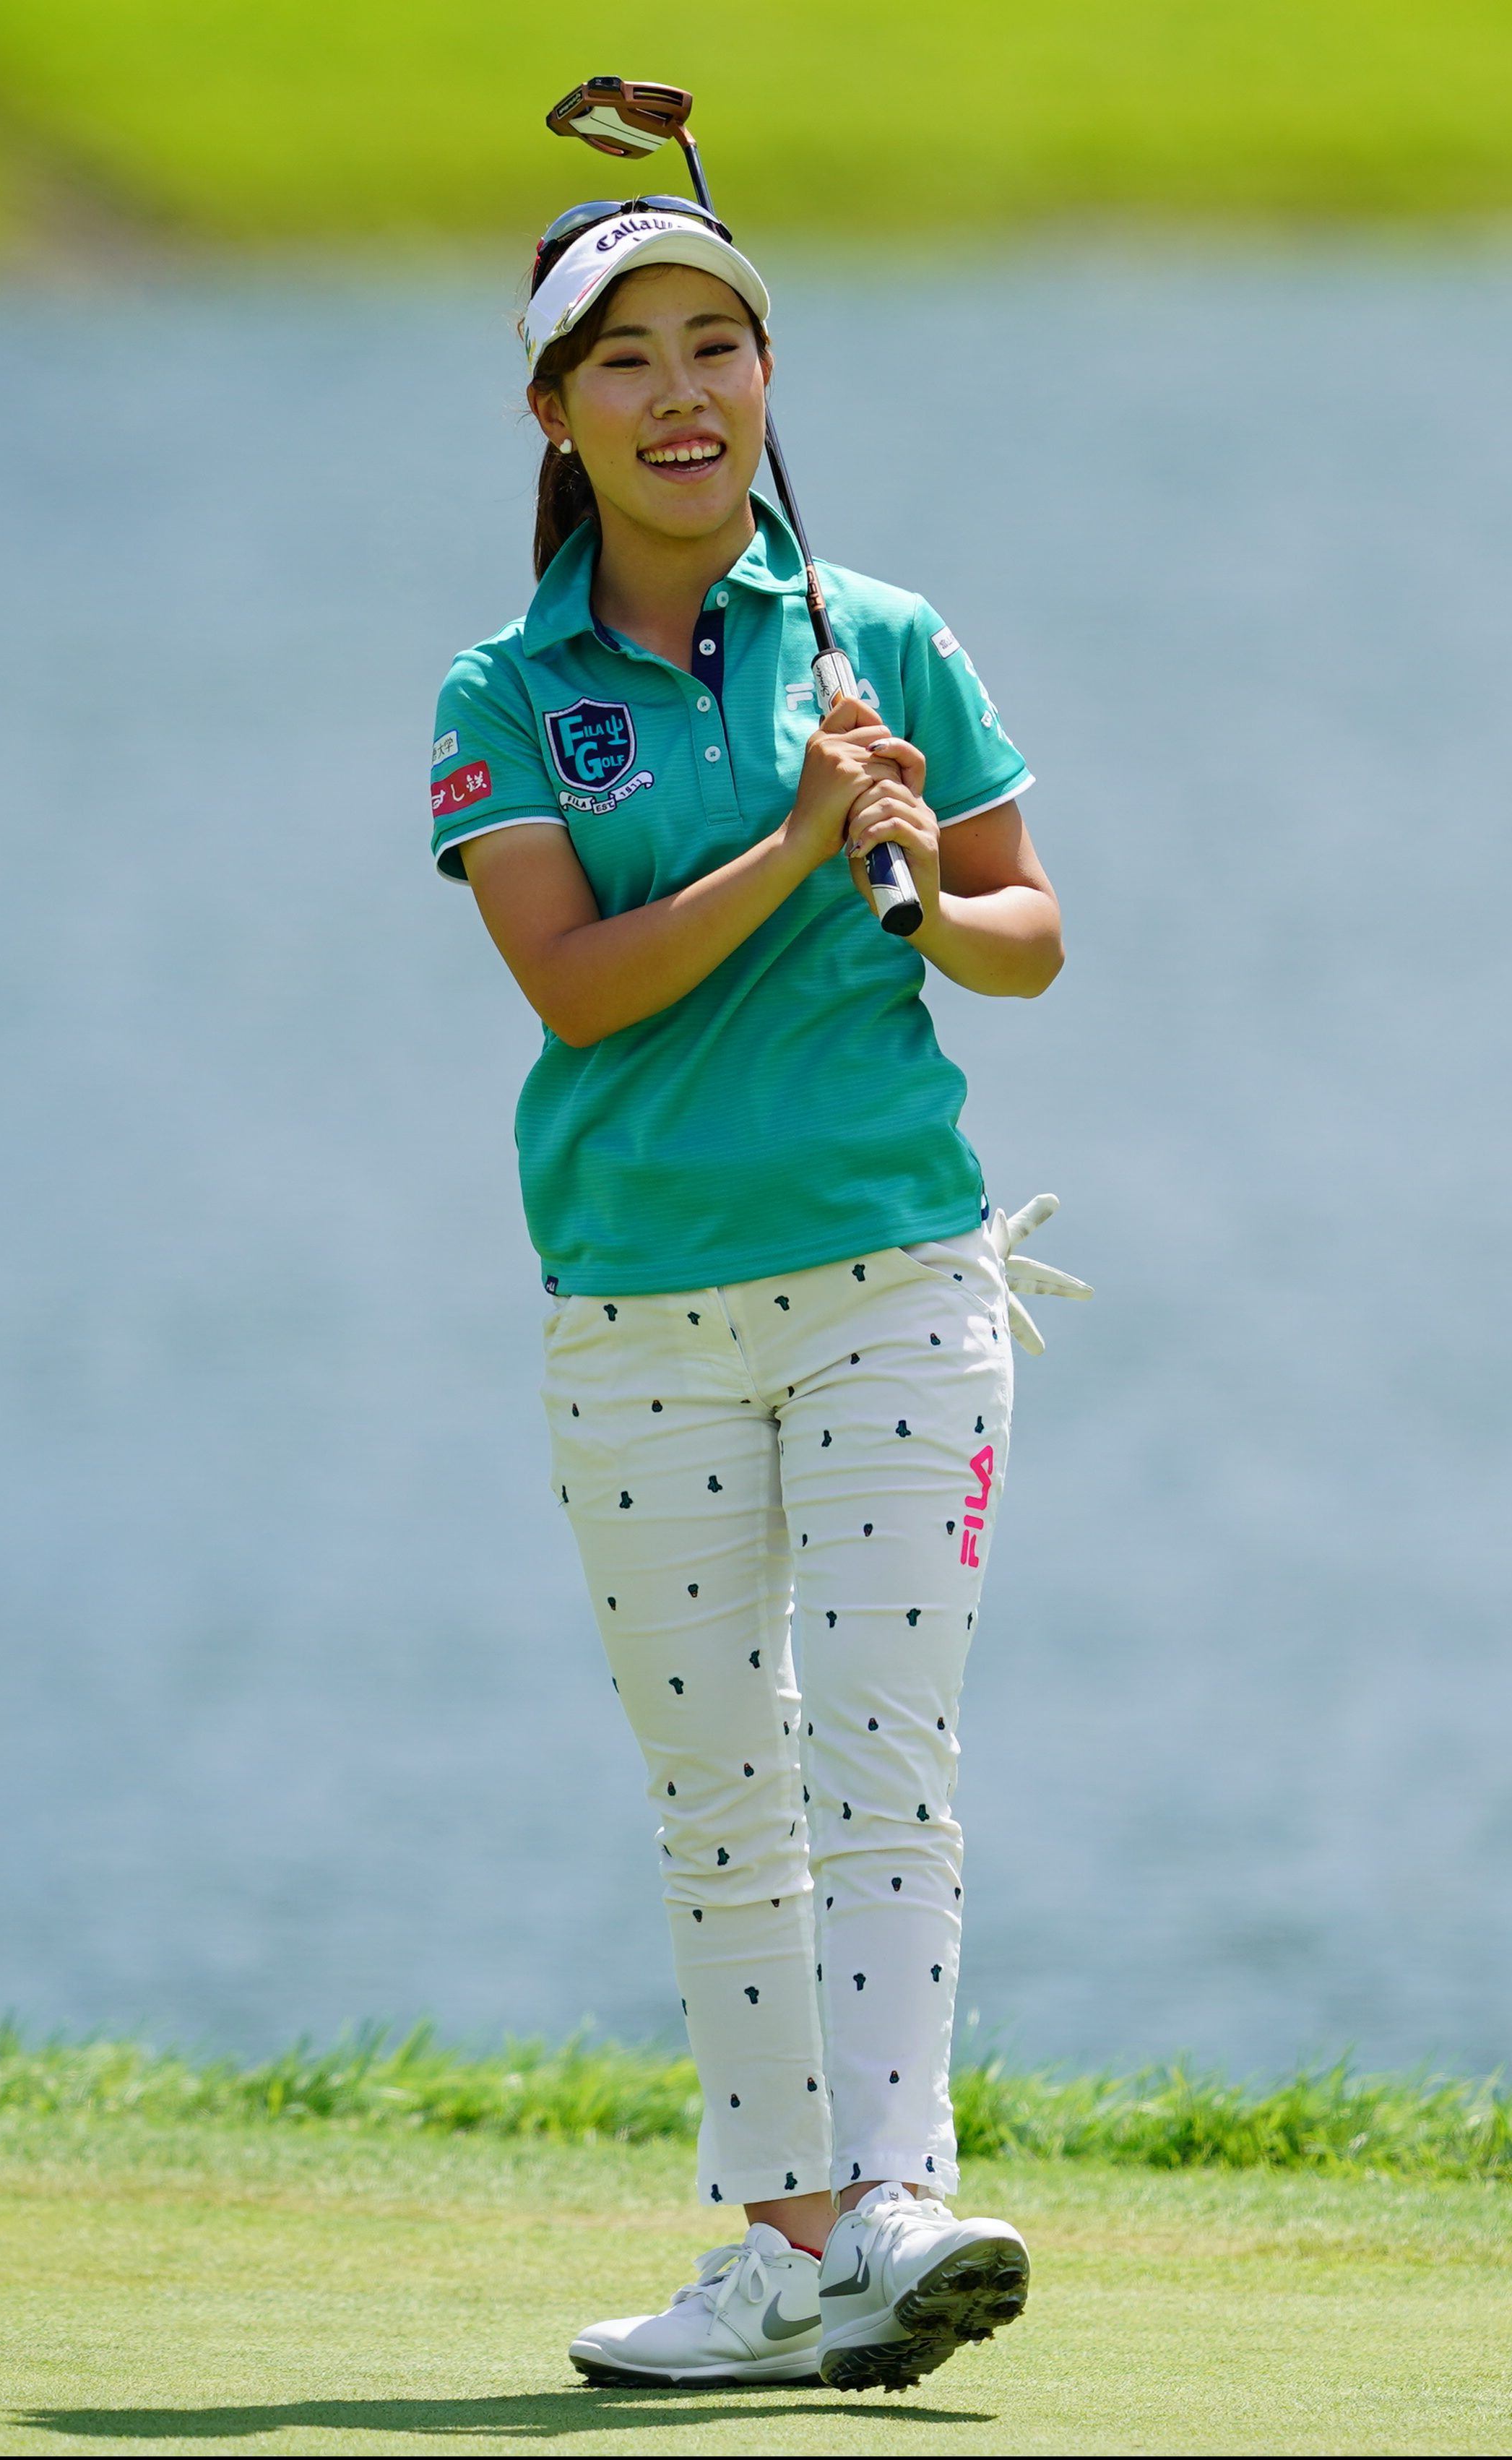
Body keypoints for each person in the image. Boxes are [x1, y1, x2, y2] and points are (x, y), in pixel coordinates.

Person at [427, 197, 1067, 2395]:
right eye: (628, 359)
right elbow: (576, 987)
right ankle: (782, 2250)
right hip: (635, 1308)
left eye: (720, 347)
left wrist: (909, 896)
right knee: (722, 1785)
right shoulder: (505, 700)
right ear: (555, 414)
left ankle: (898, 2207)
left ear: (766, 385)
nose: (682, 392)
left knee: (889, 1759)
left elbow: (1029, 931)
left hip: (901, 1278)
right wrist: (796, 843)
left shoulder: (888, 638)